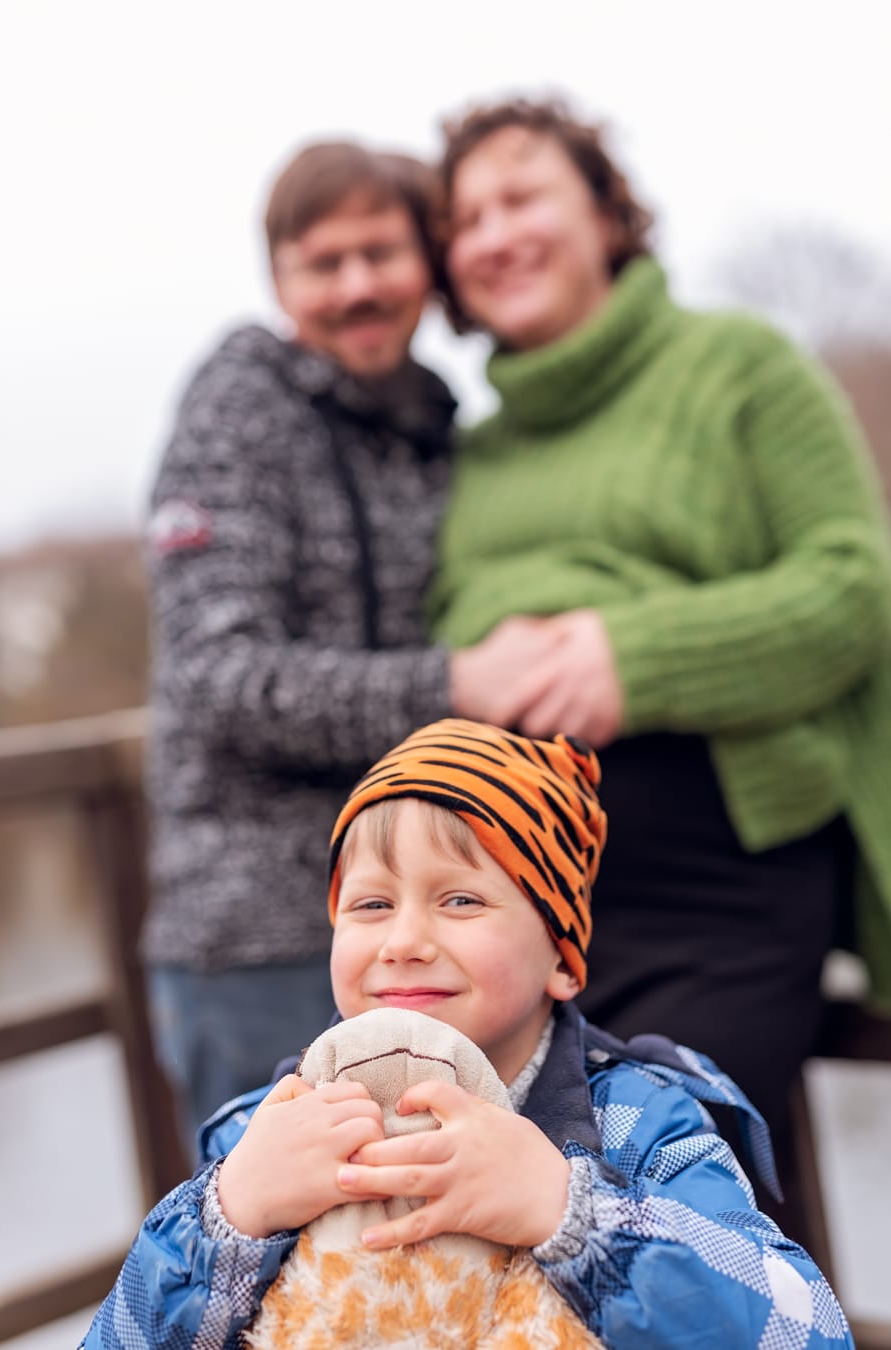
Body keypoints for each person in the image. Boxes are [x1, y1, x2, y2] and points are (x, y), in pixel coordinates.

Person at [428, 98, 891, 1177]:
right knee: (490, 1234)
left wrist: (634, 662)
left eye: (521, 195)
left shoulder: (739, 367)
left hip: (719, 893)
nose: (493, 233)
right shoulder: (474, 451)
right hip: (518, 913)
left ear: (605, 213)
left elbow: (854, 583)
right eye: (465, 218)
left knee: (656, 1198)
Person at [82, 719, 853, 1349]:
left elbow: (805, 1331)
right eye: (371, 906)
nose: (404, 941)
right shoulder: (271, 1126)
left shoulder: (639, 1124)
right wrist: (232, 1215)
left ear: (561, 955)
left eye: (459, 901)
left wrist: (568, 1212)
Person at [142, 140, 463, 1146]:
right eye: (325, 264)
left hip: (417, 934)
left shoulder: (434, 428)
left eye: (381, 253)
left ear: (426, 263)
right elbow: (215, 675)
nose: (358, 286)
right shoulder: (240, 406)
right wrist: (458, 686)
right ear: (280, 279)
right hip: (258, 942)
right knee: (277, 1276)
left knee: (431, 1261)